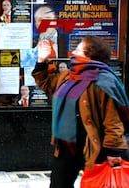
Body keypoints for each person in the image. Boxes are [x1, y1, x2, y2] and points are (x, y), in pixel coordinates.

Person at [32, 35, 129, 188]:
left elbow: (113, 121)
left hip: (94, 145)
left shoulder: (103, 81)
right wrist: (42, 61)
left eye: (78, 49)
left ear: (89, 53)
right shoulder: (69, 75)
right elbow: (47, 84)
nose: (73, 52)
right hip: (66, 145)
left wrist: (114, 151)